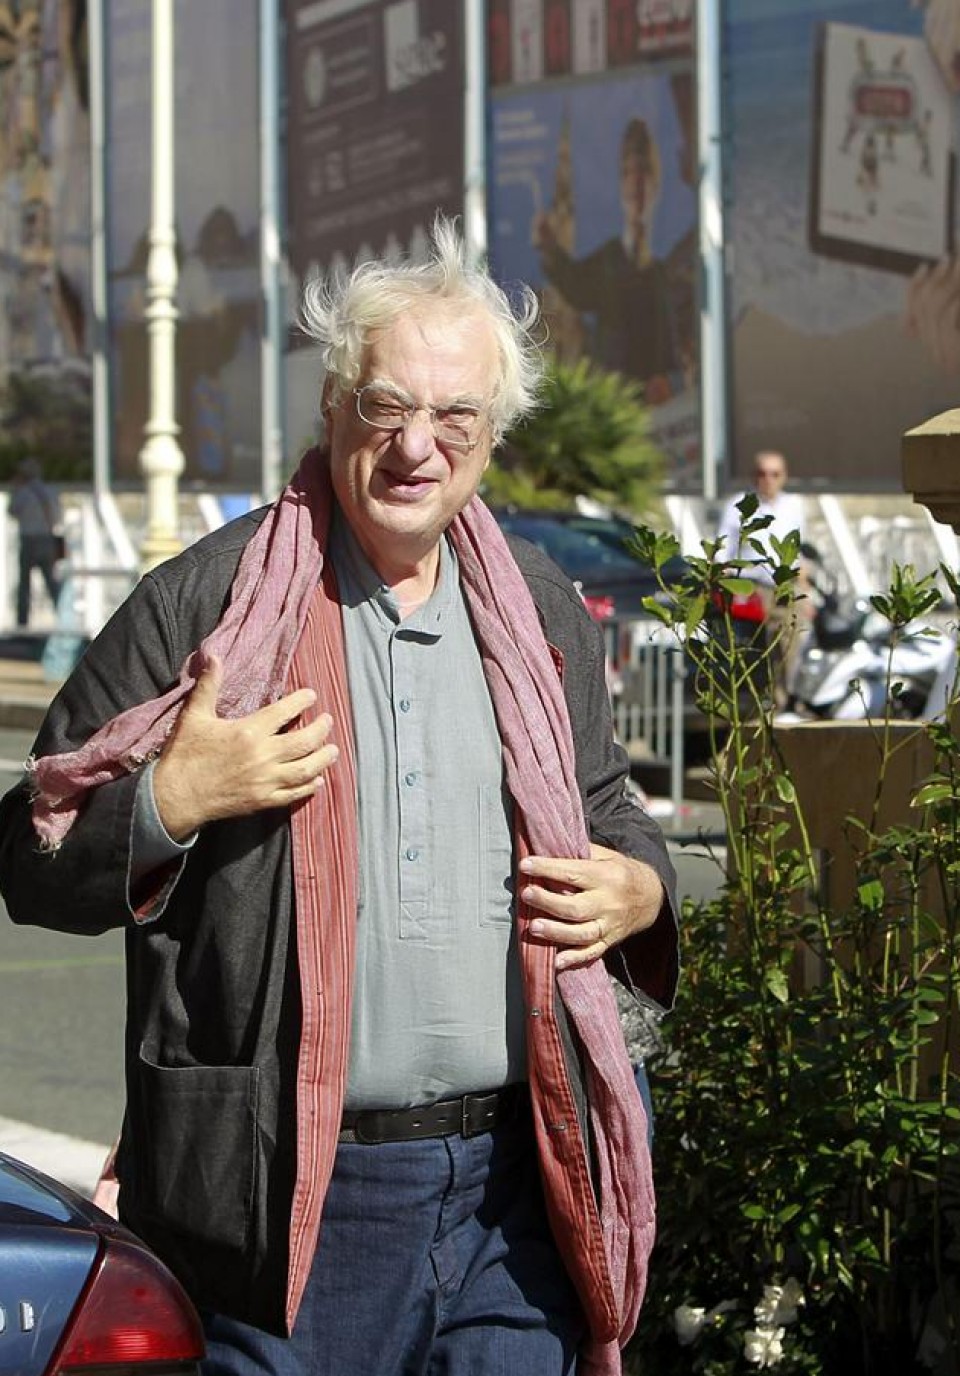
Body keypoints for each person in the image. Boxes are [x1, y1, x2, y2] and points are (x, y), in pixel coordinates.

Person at [0, 220, 679, 1376]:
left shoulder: (542, 610)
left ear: (490, 437)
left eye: (455, 417)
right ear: (333, 408)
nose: (418, 444)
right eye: (387, 406)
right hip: (281, 1210)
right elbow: (30, 851)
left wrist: (643, 884)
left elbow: (608, 804)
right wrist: (171, 795)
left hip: (514, 1201)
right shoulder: (201, 605)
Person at [532, 117, 684, 387]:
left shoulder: (665, 274)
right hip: (616, 404)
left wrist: (669, 383)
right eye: (627, 172)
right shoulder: (609, 260)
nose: (635, 184)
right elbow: (575, 285)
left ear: (656, 184)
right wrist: (549, 248)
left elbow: (674, 349)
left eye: (644, 172)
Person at [716, 450, 809, 712]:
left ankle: (784, 701)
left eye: (774, 474)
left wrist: (805, 584)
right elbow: (723, 549)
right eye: (762, 473)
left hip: (785, 584)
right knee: (755, 648)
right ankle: (758, 703)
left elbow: (798, 548)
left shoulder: (794, 505)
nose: (768, 480)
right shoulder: (739, 504)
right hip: (752, 586)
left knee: (789, 643)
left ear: (784, 477)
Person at [8, 456, 64, 627]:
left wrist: (14, 490)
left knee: (24, 584)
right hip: (46, 538)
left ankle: (22, 622)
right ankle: (63, 618)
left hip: (29, 539)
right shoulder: (50, 491)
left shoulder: (23, 493)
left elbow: (12, 511)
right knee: (51, 582)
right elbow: (57, 517)